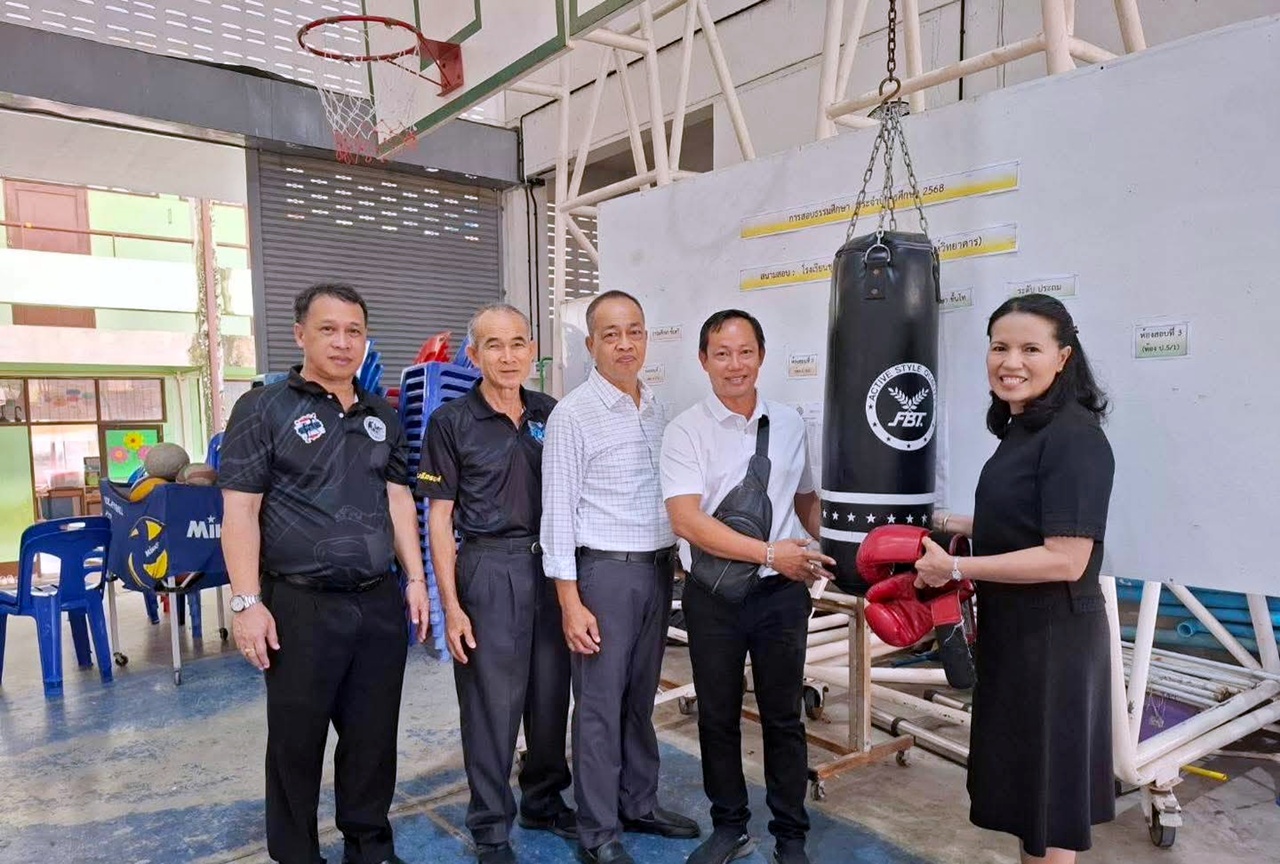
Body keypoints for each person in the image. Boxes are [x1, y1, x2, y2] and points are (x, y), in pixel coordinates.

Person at [219, 283, 430, 864]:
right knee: (296, 741)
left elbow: (397, 501)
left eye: (354, 331)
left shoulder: (382, 414)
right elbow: (240, 511)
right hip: (298, 606)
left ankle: (370, 846)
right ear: (300, 334)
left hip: (377, 602)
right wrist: (245, 603)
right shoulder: (262, 409)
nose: (342, 342)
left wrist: (414, 578)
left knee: (372, 736)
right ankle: (296, 854)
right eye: (329, 329)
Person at [915, 293, 1115, 864]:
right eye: (1000, 347)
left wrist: (955, 567)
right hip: (1017, 634)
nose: (1012, 361)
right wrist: (936, 521)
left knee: (1048, 808)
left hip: (1053, 641)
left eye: (1031, 348)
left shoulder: (1075, 437)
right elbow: (1021, 523)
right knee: (1031, 800)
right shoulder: (1022, 430)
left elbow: (1065, 557)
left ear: (1063, 358)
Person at [660, 310, 834, 864]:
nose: (735, 365)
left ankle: (791, 834)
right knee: (717, 713)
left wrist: (839, 543)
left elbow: (804, 498)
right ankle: (729, 825)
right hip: (713, 597)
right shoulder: (686, 430)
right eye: (722, 353)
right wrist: (768, 553)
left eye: (744, 352)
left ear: (761, 354)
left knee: (784, 715)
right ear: (703, 360)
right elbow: (687, 521)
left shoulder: (788, 422)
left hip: (781, 593)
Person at [541, 290, 700, 864]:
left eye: (633, 331)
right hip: (604, 576)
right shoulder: (572, 415)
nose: (624, 343)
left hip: (658, 572)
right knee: (600, 707)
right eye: (611, 334)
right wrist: (569, 600)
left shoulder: (657, 407)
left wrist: (682, 558)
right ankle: (599, 829)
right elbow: (556, 512)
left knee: (638, 700)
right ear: (591, 345)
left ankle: (640, 802)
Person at [418, 303, 574, 864]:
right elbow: (439, 519)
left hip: (551, 566)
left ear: (532, 348)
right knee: (491, 705)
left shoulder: (551, 413)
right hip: (488, 567)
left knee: (552, 694)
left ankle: (544, 800)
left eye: (517, 343)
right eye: (493, 345)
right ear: (474, 354)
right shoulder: (451, 422)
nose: (508, 356)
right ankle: (489, 825)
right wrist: (451, 608)